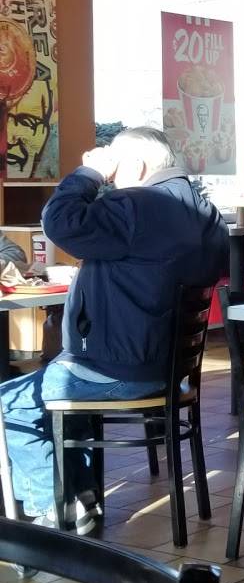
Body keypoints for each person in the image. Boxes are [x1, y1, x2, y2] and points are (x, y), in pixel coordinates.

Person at [0, 128, 228, 529]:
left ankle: (54, 508)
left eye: (114, 167)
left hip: (119, 367)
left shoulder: (136, 205)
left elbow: (59, 221)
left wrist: (89, 174)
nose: (110, 178)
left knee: (9, 401)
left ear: (136, 166)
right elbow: (150, 267)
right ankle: (79, 498)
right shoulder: (206, 213)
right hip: (169, 370)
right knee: (63, 396)